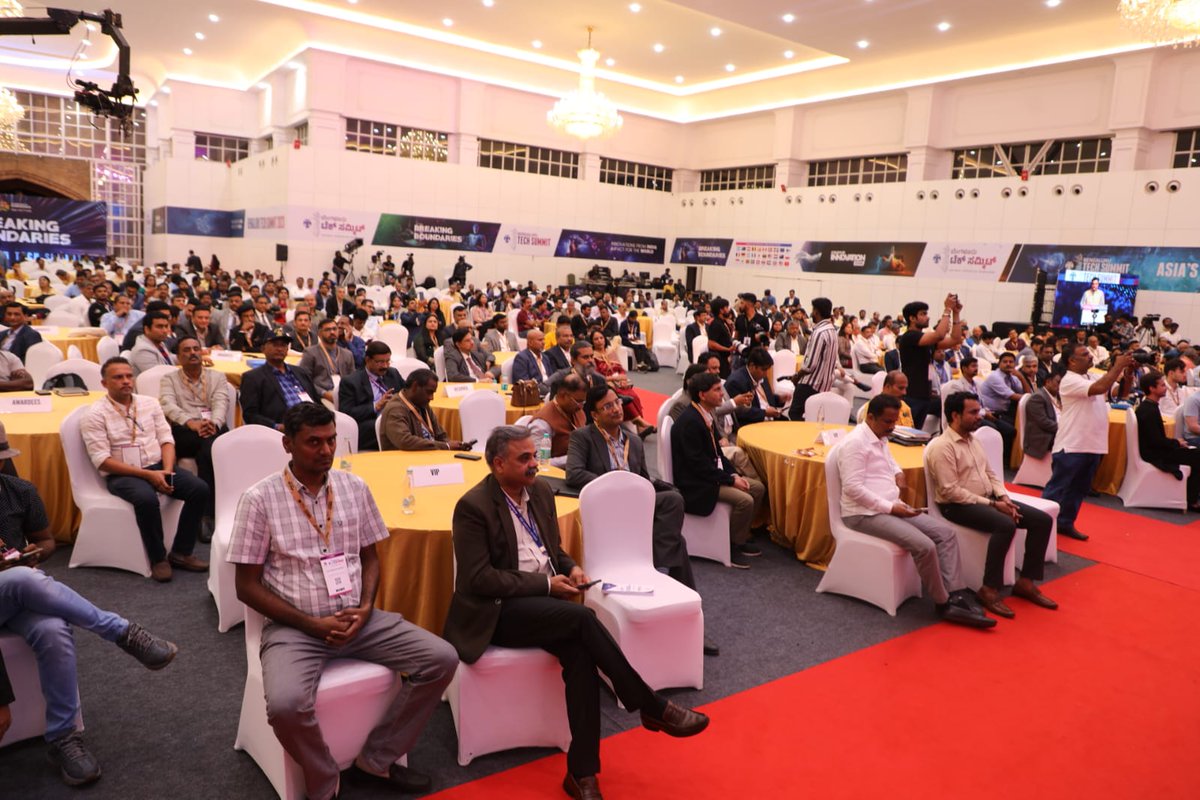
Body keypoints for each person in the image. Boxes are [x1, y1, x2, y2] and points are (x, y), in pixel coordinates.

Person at [445, 426, 709, 800]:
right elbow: (478, 579)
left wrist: (569, 568)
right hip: (496, 613)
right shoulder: (473, 507)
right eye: (524, 459)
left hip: (545, 607)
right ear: (498, 463)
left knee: (581, 656)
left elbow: (550, 550)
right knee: (584, 619)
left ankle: (581, 775)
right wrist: (547, 586)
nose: (535, 464)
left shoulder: (538, 491)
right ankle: (651, 705)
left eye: (534, 455)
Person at [229, 402, 457, 800]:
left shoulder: (354, 488)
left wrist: (367, 606)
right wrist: (311, 625)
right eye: (313, 442)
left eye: (331, 440)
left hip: (358, 617)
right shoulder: (260, 499)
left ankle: (377, 759)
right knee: (285, 705)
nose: (325, 450)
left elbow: (371, 556)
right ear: (288, 444)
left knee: (441, 659)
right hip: (295, 628)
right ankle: (323, 777)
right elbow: (246, 587)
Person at [0, 432, 178, 784]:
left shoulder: (21, 491)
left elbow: (48, 541)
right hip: (18, 587)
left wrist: (34, 555)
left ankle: (63, 737)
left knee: (53, 630)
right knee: (25, 580)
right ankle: (122, 631)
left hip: (15, 594)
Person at [836, 394, 994, 628]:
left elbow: (888, 460)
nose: (892, 427)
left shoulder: (878, 435)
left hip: (888, 506)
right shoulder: (855, 444)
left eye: (894, 422)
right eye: (888, 422)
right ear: (870, 417)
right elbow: (852, 489)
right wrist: (891, 508)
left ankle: (956, 593)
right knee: (924, 545)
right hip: (862, 514)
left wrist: (898, 472)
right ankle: (943, 604)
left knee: (945, 534)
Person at [566, 387, 703, 602]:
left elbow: (644, 479)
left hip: (636, 506)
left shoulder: (634, 441)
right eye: (607, 406)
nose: (616, 409)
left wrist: (662, 486)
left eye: (618, 402)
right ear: (594, 415)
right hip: (606, 503)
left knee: (673, 499)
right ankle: (665, 577)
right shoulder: (583, 437)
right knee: (678, 541)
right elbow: (573, 474)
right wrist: (615, 483)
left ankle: (675, 587)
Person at [928, 393, 1058, 618]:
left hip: (989, 499)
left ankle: (1025, 582)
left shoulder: (973, 439)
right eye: (972, 412)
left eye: (978, 411)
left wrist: (1003, 497)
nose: (979, 416)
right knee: (1005, 524)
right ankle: (988, 589)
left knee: (1042, 520)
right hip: (956, 506)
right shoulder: (942, 447)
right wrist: (993, 504)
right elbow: (950, 491)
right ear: (955, 415)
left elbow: (991, 474)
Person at [80, 357, 210, 582]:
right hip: (123, 473)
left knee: (199, 489)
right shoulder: (94, 414)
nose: (126, 381)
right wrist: (148, 475)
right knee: (146, 498)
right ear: (104, 383)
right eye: (118, 377)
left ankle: (181, 552)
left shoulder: (150, 403)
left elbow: (166, 440)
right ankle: (158, 557)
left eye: (129, 376)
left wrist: (167, 471)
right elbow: (102, 460)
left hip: (159, 466)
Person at [672, 372, 768, 569]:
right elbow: (698, 466)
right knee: (745, 499)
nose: (722, 394)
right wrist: (730, 480)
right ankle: (731, 546)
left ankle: (742, 534)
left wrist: (733, 474)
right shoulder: (690, 422)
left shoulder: (706, 415)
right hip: (696, 484)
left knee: (757, 487)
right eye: (716, 390)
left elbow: (718, 455)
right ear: (702, 395)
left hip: (708, 475)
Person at [1041, 344, 1134, 540]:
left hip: (1093, 443)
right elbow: (1100, 388)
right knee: (1058, 488)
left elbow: (1118, 393)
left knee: (1079, 489)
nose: (1090, 356)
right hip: (1072, 443)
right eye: (1084, 354)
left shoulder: (1089, 376)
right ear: (1071, 361)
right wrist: (1117, 365)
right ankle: (1039, 525)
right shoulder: (1069, 380)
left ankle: (1065, 523)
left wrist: (1128, 373)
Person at [158, 336, 230, 534]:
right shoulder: (169, 379)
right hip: (184, 430)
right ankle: (209, 514)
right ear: (179, 357)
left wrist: (213, 423)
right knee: (210, 447)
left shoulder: (217, 377)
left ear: (201, 352)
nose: (192, 353)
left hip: (212, 427)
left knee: (208, 446)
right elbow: (168, 405)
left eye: (196, 349)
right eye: (187, 350)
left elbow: (221, 402)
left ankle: (204, 514)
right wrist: (191, 423)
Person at [1136, 371, 1200, 511]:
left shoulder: (1149, 406)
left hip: (1155, 449)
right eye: (1162, 385)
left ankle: (1192, 497)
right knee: (1197, 456)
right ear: (1152, 388)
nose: (1165, 387)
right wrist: (1176, 443)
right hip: (1154, 454)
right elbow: (1155, 441)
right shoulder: (1148, 410)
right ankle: (1192, 500)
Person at [897, 296, 962, 429]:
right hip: (912, 395)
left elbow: (955, 339)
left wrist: (956, 313)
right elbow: (939, 335)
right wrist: (947, 309)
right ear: (912, 318)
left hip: (925, 394)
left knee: (952, 408)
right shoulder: (909, 337)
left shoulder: (925, 339)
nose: (927, 317)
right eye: (923, 314)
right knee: (910, 432)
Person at [239, 328, 321, 431]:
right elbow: (250, 415)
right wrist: (276, 427)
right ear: (263, 349)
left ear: (287, 349)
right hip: (283, 429)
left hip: (313, 423)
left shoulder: (300, 372)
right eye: (275, 344)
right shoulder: (253, 378)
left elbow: (317, 402)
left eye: (283, 345)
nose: (279, 349)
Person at [378, 369, 471, 451]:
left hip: (429, 456)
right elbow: (405, 441)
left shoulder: (423, 404)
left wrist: (454, 445)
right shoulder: (395, 409)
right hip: (404, 463)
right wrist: (445, 446)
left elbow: (441, 435)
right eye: (429, 392)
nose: (431, 398)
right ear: (415, 387)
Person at [338, 340, 405, 452]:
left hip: (395, 418)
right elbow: (346, 412)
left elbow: (406, 392)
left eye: (388, 361)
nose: (385, 366)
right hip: (368, 423)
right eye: (380, 362)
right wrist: (376, 406)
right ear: (368, 360)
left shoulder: (393, 373)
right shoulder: (351, 382)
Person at [585, 331, 654, 437]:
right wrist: (613, 379)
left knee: (633, 395)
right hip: (605, 383)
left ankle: (640, 426)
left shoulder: (611, 352)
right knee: (623, 395)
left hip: (618, 381)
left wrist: (621, 379)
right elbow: (597, 376)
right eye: (596, 339)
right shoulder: (593, 356)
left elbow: (621, 370)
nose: (599, 341)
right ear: (592, 342)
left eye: (601, 338)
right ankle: (639, 421)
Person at [788, 297, 837, 420]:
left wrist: (797, 376)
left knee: (794, 414)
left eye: (813, 309)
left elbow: (810, 365)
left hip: (811, 384)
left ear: (817, 311)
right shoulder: (832, 330)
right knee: (813, 416)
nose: (812, 313)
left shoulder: (819, 332)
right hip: (825, 384)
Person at [529, 372, 587, 467]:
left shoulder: (576, 411)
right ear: (563, 395)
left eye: (583, 401)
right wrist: (573, 458)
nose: (581, 406)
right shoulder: (542, 423)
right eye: (578, 401)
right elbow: (540, 462)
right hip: (556, 476)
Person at [299, 318, 356, 405]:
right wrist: (323, 393)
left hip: (344, 394)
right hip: (322, 396)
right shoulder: (310, 353)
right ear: (319, 333)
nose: (332, 332)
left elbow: (353, 379)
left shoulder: (347, 354)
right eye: (327, 330)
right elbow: (304, 380)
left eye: (334, 329)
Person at [724, 346, 784, 426]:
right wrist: (764, 413)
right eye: (763, 369)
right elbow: (740, 412)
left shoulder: (761, 376)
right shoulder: (736, 382)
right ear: (752, 366)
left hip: (771, 420)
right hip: (753, 425)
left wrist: (779, 399)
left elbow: (765, 399)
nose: (766, 373)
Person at [1023, 371, 1061, 462]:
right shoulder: (1038, 398)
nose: (1061, 386)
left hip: (1057, 432)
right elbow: (1044, 423)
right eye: (1058, 382)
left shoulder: (1058, 396)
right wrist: (1064, 429)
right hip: (1043, 437)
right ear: (1048, 382)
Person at [128, 311, 176, 378]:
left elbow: (170, 359)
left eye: (166, 326)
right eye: (160, 327)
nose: (165, 330)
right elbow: (159, 377)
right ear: (147, 329)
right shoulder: (142, 350)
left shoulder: (159, 342)